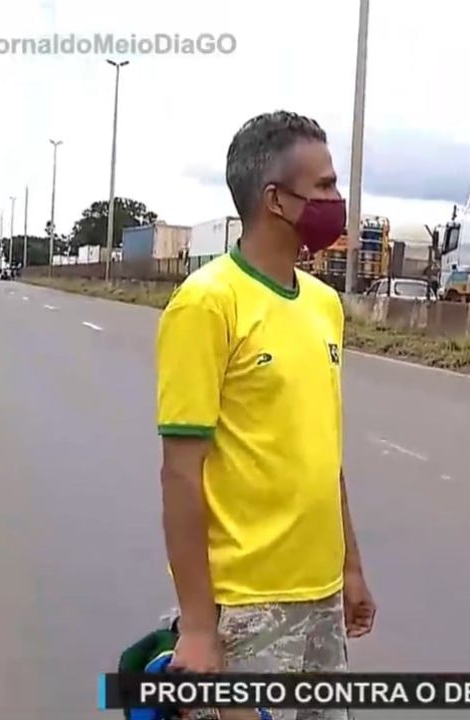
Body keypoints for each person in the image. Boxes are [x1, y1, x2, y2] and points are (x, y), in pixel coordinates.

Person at [155, 111, 375, 720]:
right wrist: (199, 627)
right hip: (246, 608)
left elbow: (322, 454)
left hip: (321, 600)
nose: (338, 202)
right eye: (326, 186)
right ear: (275, 199)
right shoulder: (207, 302)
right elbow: (180, 472)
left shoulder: (325, 306)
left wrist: (350, 567)